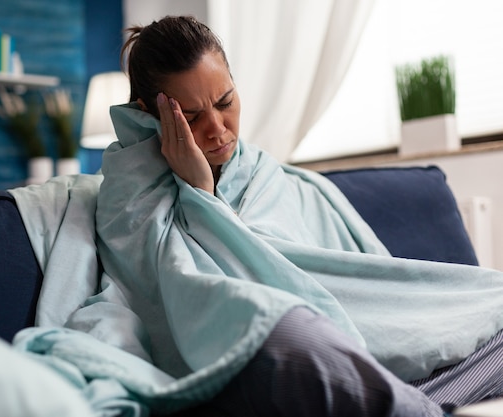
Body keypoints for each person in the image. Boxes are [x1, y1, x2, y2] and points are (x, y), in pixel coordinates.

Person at [86, 15, 503, 416]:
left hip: (332, 332)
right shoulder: (129, 191)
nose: (217, 129)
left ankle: (406, 402)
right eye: (191, 117)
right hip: (256, 334)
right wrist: (201, 194)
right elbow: (168, 289)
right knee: (293, 336)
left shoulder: (264, 175)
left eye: (225, 101)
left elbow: (320, 280)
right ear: (149, 112)